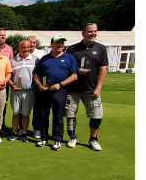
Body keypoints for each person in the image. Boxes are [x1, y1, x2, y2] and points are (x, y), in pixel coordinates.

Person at [65, 23, 109, 151]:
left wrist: (99, 87)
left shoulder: (101, 48)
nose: (93, 33)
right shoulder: (73, 49)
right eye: (90, 31)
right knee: (70, 114)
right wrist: (77, 72)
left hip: (92, 89)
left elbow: (103, 69)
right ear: (83, 33)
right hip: (73, 89)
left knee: (96, 115)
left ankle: (93, 139)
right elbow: (68, 68)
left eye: (95, 31)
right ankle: (72, 137)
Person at [33, 35, 78, 150]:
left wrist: (60, 84)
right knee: (43, 115)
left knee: (58, 116)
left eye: (62, 42)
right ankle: (44, 138)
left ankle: (57, 140)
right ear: (51, 44)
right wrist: (39, 85)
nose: (61, 45)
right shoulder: (44, 58)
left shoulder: (70, 57)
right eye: (58, 42)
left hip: (60, 91)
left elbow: (74, 76)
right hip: (44, 91)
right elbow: (36, 74)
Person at [9, 36, 40, 141]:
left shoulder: (35, 59)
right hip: (15, 90)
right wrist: (13, 85)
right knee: (16, 112)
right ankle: (14, 132)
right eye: (24, 47)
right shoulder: (13, 60)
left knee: (26, 113)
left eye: (28, 47)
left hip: (29, 91)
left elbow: (39, 74)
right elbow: (8, 76)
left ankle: (24, 133)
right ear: (19, 48)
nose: (26, 49)